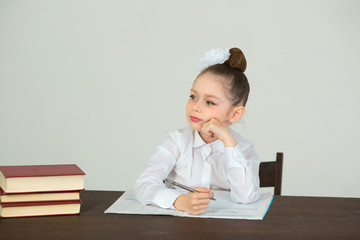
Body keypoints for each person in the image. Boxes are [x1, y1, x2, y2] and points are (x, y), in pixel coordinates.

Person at [134, 47, 260, 215]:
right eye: (193, 96)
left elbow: (246, 197)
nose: (195, 107)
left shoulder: (243, 148)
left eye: (209, 102)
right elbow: (144, 183)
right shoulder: (176, 141)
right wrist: (178, 201)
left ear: (235, 114)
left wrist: (229, 142)